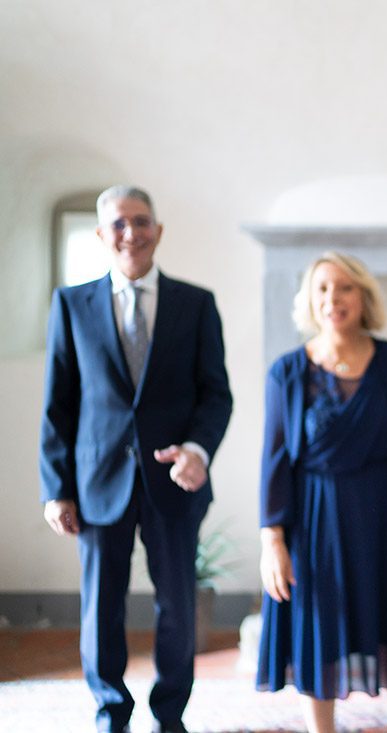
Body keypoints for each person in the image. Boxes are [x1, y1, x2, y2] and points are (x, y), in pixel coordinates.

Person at [39, 185, 233, 733]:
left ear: (158, 230)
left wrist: (197, 450)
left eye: (141, 221)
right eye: (119, 223)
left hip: (175, 482)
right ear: (102, 234)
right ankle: (111, 714)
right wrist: (56, 488)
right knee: (101, 608)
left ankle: (170, 717)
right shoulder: (70, 304)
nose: (132, 233)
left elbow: (216, 395)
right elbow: (58, 404)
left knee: (178, 608)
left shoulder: (196, 304)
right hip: (97, 482)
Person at [256, 251, 387, 733]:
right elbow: (274, 461)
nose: (332, 298)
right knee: (318, 633)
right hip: (315, 524)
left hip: (386, 518)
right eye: (322, 288)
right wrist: (272, 541)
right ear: (309, 299)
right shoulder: (286, 373)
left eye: (344, 287)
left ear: (364, 296)